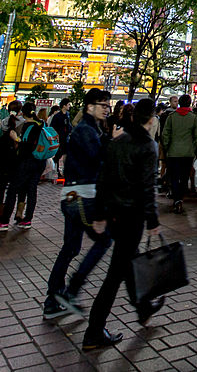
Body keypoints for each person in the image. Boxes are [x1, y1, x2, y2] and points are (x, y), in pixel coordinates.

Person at [83, 98, 163, 350]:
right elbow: (148, 186)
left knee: (127, 262)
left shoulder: (119, 142)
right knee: (115, 274)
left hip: (115, 214)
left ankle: (143, 308)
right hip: (133, 216)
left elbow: (103, 179)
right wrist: (152, 219)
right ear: (151, 119)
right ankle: (94, 331)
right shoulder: (147, 145)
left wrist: (99, 214)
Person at [43, 89, 115, 321]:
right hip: (82, 196)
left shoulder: (89, 129)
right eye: (102, 104)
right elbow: (98, 161)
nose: (106, 108)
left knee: (71, 248)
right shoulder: (86, 130)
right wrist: (112, 142)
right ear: (89, 106)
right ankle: (72, 289)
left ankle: (53, 299)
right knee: (104, 240)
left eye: (107, 105)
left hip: (72, 196)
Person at [0, 101, 47, 230]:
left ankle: (4, 221)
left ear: (24, 113)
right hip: (39, 162)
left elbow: (25, 147)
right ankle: (27, 219)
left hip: (26, 162)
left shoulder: (27, 126)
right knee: (32, 190)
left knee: (12, 190)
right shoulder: (42, 124)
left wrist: (16, 139)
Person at [160, 94, 197, 214]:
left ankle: (176, 198)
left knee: (174, 177)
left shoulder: (172, 117)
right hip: (188, 153)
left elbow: (165, 134)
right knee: (184, 178)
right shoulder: (194, 118)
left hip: (173, 152)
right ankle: (180, 199)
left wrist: (167, 148)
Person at [50, 98, 72, 180]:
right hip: (59, 138)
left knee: (66, 154)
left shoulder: (67, 115)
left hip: (66, 138)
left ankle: (64, 171)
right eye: (68, 104)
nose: (69, 106)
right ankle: (56, 170)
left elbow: (69, 125)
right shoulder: (57, 116)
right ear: (64, 105)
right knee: (58, 155)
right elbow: (52, 127)